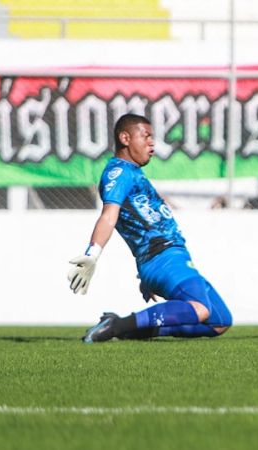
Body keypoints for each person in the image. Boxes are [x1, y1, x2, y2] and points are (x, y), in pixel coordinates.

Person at [67, 113, 232, 343]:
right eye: (146, 136)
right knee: (201, 309)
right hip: (162, 258)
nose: (151, 143)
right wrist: (92, 253)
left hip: (169, 256)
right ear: (125, 138)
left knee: (219, 321)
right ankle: (118, 325)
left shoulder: (132, 172)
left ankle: (135, 330)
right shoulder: (119, 172)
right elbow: (109, 216)